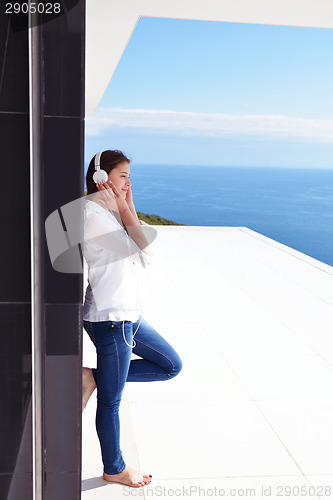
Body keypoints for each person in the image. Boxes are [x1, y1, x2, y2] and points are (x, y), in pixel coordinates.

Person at [82, 150, 183, 488]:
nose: (128, 181)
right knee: (111, 402)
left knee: (170, 365)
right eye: (123, 175)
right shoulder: (93, 215)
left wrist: (126, 203)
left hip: (127, 317)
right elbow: (142, 248)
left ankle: (93, 377)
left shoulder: (105, 213)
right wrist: (126, 206)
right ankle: (114, 468)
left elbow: (145, 254)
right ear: (101, 178)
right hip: (111, 320)